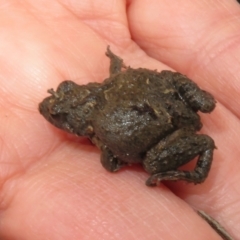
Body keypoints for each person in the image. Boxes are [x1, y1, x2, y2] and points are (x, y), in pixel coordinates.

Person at [0, 1, 239, 239]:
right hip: (172, 106)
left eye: (59, 115)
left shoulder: (100, 133)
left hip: (172, 125)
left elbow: (112, 165)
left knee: (152, 165)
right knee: (172, 133)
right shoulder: (110, 83)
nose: (49, 109)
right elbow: (117, 70)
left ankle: (196, 172)